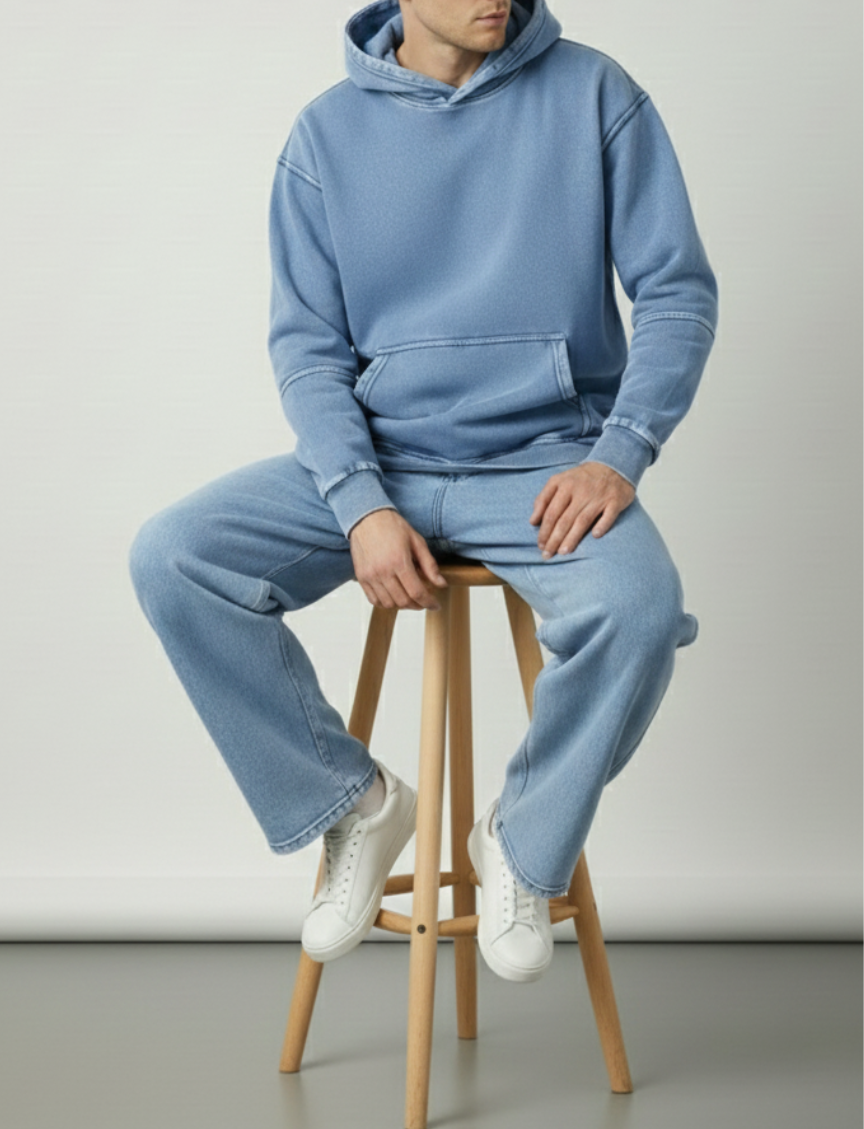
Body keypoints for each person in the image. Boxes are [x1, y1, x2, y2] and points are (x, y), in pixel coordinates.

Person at [129, 0, 718, 984]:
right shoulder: (326, 135)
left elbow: (678, 292)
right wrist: (360, 500)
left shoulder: (596, 95)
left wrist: (619, 451)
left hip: (543, 464)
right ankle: (351, 802)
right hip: (381, 459)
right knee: (175, 555)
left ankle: (523, 840)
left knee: (641, 607)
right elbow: (309, 347)